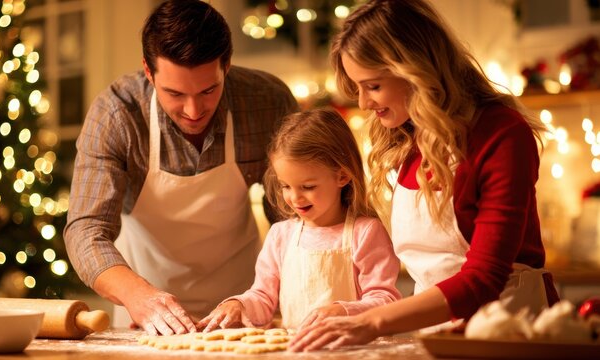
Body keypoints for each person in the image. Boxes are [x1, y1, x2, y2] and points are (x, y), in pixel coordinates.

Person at [289, 0, 560, 351]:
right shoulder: (407, 138)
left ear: (416, 70)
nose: (364, 103)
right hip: (437, 340)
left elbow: (484, 278)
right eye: (357, 88)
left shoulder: (501, 133)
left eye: (372, 86)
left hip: (512, 335)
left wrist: (368, 322)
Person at [63, 0, 298, 336]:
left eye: (208, 90)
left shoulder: (266, 102)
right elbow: (86, 230)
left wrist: (266, 295)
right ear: (148, 70)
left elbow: (292, 218)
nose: (192, 110)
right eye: (174, 93)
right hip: (145, 311)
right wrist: (136, 295)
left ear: (226, 65)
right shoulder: (117, 115)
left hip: (243, 305)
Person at [197, 108, 401, 332]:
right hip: (297, 349)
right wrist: (239, 304)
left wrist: (342, 311)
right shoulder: (281, 235)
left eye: (308, 187)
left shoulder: (365, 232)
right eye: (286, 186)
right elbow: (263, 297)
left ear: (342, 176)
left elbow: (385, 299)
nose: (295, 198)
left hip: (352, 350)